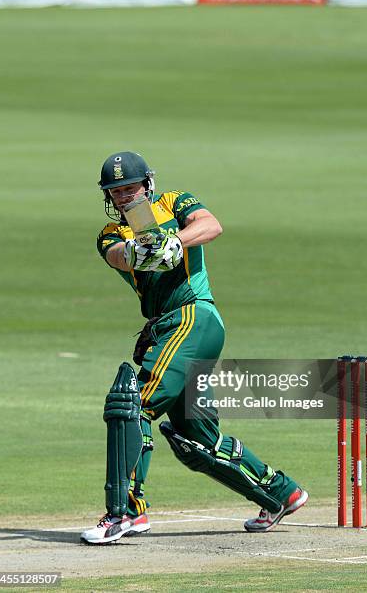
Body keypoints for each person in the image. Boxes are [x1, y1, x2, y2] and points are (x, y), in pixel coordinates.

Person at [81, 151, 308, 544]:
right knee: (197, 439)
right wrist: (139, 252)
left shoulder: (175, 201)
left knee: (133, 406)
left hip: (192, 318)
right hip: (169, 329)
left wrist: (175, 241)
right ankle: (281, 493)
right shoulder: (111, 233)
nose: (123, 196)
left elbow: (210, 225)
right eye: (115, 191)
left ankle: (126, 514)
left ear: (147, 184)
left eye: (129, 187)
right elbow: (118, 256)